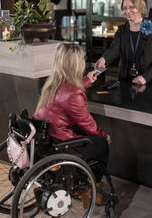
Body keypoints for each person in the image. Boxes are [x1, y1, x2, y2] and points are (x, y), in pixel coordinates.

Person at [33, 43, 111, 204]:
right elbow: (87, 123)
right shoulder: (73, 92)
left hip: (46, 136)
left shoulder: (52, 82)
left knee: (92, 138)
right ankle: (90, 190)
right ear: (76, 63)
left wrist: (87, 81)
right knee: (101, 144)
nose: (84, 61)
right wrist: (104, 136)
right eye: (82, 58)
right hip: (62, 141)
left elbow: (67, 92)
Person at [95, 0, 152, 85]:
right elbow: (113, 49)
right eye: (124, 8)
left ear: (140, 7)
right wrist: (104, 59)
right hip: (127, 81)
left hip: (151, 81)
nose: (127, 11)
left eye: (131, 7)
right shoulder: (122, 30)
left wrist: (145, 77)